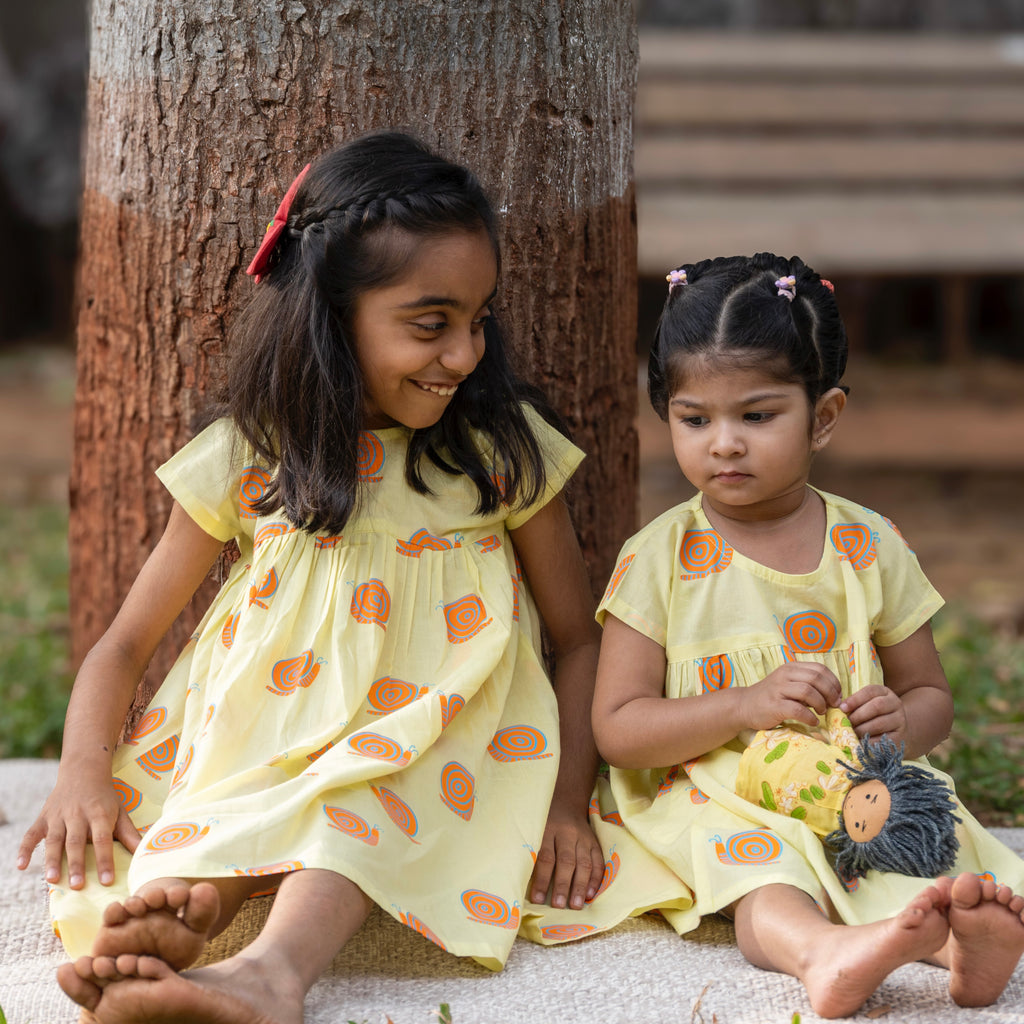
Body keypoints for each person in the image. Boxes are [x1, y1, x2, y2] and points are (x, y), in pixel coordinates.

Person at [16, 131, 605, 1024]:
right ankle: (192, 916)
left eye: (478, 320)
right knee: (216, 807)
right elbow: (125, 642)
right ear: (333, 313)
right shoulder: (253, 456)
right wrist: (81, 775)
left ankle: (270, 975)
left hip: (433, 733)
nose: (466, 355)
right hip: (268, 724)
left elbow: (579, 639)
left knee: (354, 808)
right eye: (430, 324)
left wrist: (567, 804)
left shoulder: (494, 453)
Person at [587, 253, 1024, 1018]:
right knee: (766, 869)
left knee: (926, 833)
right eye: (696, 419)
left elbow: (931, 698)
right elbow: (619, 729)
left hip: (844, 782)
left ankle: (956, 942)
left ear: (823, 417)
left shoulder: (869, 543)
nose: (723, 443)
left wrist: (901, 719)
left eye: (756, 416)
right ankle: (821, 954)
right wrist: (740, 706)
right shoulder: (657, 559)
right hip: (710, 791)